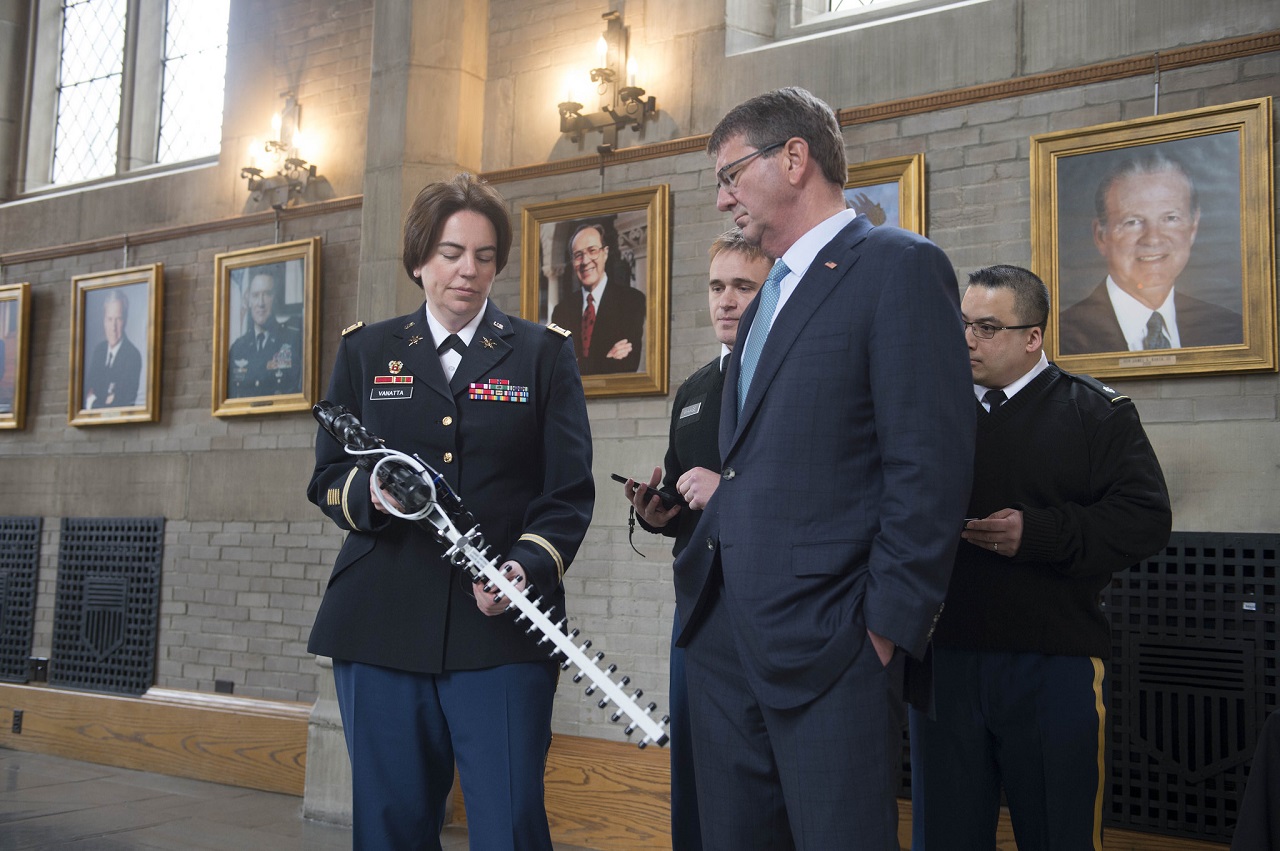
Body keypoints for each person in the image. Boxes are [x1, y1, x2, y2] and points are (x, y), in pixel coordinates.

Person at [672, 87, 975, 850]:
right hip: (722, 637)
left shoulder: (899, 267)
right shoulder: (769, 288)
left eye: (731, 175)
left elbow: (929, 468)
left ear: (795, 157)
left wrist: (883, 631)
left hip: (832, 644)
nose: (722, 199)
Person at [306, 173, 595, 850]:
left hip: (499, 631)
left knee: (511, 824)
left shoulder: (542, 354)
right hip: (380, 624)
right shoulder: (365, 351)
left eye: (485, 255)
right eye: (451, 252)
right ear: (418, 259)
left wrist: (525, 567)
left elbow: (567, 493)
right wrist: (371, 493)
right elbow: (326, 477)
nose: (469, 270)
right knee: (390, 828)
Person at [910, 264, 1172, 850]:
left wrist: (1040, 535)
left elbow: (1146, 520)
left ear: (1034, 336)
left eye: (987, 328)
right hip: (945, 658)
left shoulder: (1096, 412)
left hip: (1054, 662)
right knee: (944, 834)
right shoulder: (929, 411)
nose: (968, 340)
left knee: (1060, 833)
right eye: (962, 325)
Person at [623, 227, 772, 851]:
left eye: (744, 286)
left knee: (757, 799)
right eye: (717, 287)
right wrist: (657, 515)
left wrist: (730, 491)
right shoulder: (693, 390)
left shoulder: (787, 379)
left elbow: (812, 496)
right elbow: (687, 499)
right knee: (692, 779)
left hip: (770, 611)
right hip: (697, 612)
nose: (727, 301)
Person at [1058, 150, 1241, 355]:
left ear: (1193, 227)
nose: (1153, 238)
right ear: (1101, 236)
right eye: (1132, 222)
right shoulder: (1061, 338)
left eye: (1170, 218)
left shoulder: (1229, 330)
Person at [549, 222, 645, 374]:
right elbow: (558, 369)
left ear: (605, 253)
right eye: (578, 255)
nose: (585, 261)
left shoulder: (632, 301)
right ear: (573, 262)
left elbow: (628, 364)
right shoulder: (561, 311)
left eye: (592, 251)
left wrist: (580, 364)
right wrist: (606, 358)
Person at [227, 266, 303, 397]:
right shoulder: (238, 348)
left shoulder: (292, 341)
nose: (260, 303)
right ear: (249, 300)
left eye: (267, 294)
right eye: (255, 295)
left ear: (275, 298)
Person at [83, 290, 142, 409]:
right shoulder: (99, 351)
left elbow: (121, 405)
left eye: (118, 319)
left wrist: (92, 402)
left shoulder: (132, 356)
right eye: (109, 319)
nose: (113, 327)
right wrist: (107, 398)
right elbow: (86, 392)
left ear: (125, 320)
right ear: (104, 321)